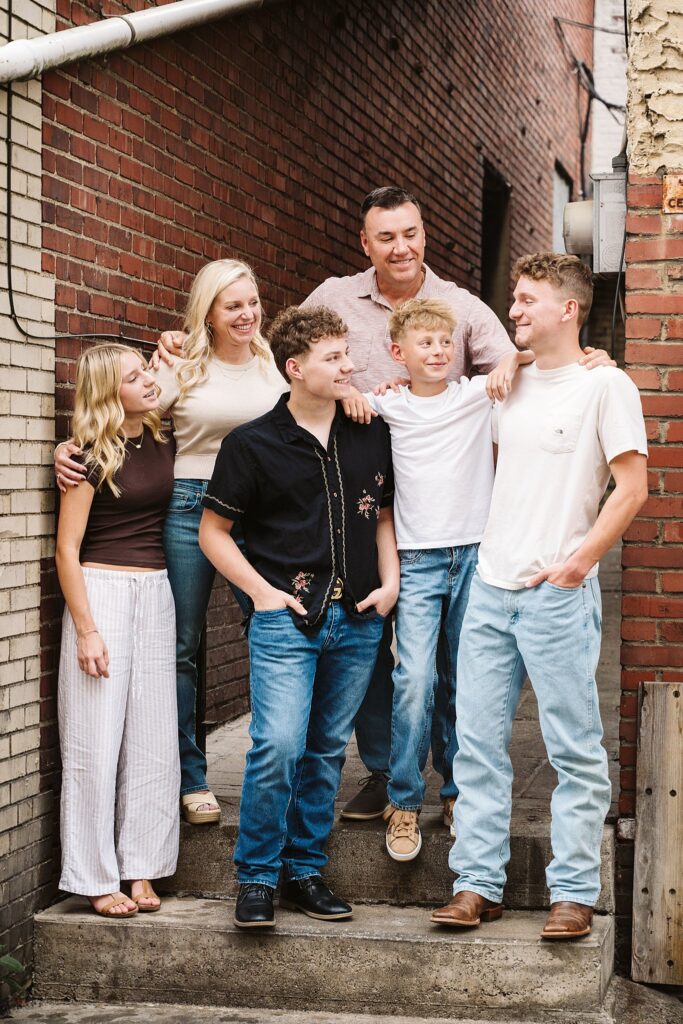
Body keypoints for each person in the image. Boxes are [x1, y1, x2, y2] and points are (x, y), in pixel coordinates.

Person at [155, 187, 614, 822]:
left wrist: (582, 355)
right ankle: (378, 772)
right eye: (386, 237)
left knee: (429, 661)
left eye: (411, 233)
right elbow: (292, 351)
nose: (401, 247)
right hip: (332, 503)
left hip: (411, 509)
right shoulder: (333, 297)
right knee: (365, 649)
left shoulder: (460, 306)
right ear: (365, 244)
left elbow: (521, 349)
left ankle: (450, 785)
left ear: (424, 235)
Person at [430, 254, 648, 939]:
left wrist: (578, 563)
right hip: (490, 589)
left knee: (574, 750)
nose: (514, 312)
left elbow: (632, 488)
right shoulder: (508, 383)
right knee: (476, 747)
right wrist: (513, 365)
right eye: (512, 300)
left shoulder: (605, 387)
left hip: (555, 593)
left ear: (568, 308)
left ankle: (574, 892)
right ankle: (475, 884)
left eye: (526, 301)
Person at [54, 260, 289, 825]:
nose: (247, 313)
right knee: (181, 648)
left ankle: (277, 765)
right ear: (206, 311)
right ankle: (192, 777)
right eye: (232, 304)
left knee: (272, 629)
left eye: (252, 302)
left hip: (255, 517)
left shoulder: (271, 366)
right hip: (188, 508)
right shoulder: (181, 367)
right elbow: (119, 422)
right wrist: (70, 450)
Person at [198, 305, 398, 929]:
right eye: (334, 357)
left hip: (360, 617)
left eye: (347, 354)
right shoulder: (251, 443)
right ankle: (257, 876)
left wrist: (391, 584)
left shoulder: (370, 431)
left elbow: (383, 516)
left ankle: (305, 870)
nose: (349, 366)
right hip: (287, 614)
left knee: (327, 750)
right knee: (278, 745)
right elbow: (214, 533)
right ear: (295, 368)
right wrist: (260, 593)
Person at [361, 298, 499, 861]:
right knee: (415, 679)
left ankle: (459, 794)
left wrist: (593, 357)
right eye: (425, 343)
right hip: (415, 561)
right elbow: (331, 401)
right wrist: (352, 392)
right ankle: (404, 801)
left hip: (475, 555)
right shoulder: (386, 406)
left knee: (465, 680)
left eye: (446, 342)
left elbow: (531, 369)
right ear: (398, 353)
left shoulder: (475, 396)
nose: (438, 352)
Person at [55, 343, 179, 917]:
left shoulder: (160, 434)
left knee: (153, 739)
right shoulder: (85, 455)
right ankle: (95, 876)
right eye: (135, 377)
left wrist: (168, 358)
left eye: (146, 370)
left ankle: (142, 868)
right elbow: (66, 548)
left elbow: (186, 366)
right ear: (110, 392)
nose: (149, 380)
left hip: (155, 592)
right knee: (94, 741)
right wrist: (86, 630)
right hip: (100, 591)